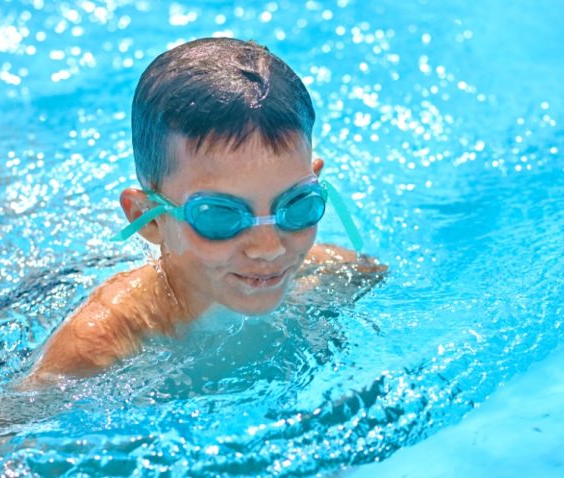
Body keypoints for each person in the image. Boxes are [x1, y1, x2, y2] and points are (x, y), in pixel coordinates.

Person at [24, 37, 385, 387]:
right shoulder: (94, 348)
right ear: (144, 216)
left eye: (297, 205)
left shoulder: (334, 275)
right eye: (220, 216)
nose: (268, 248)